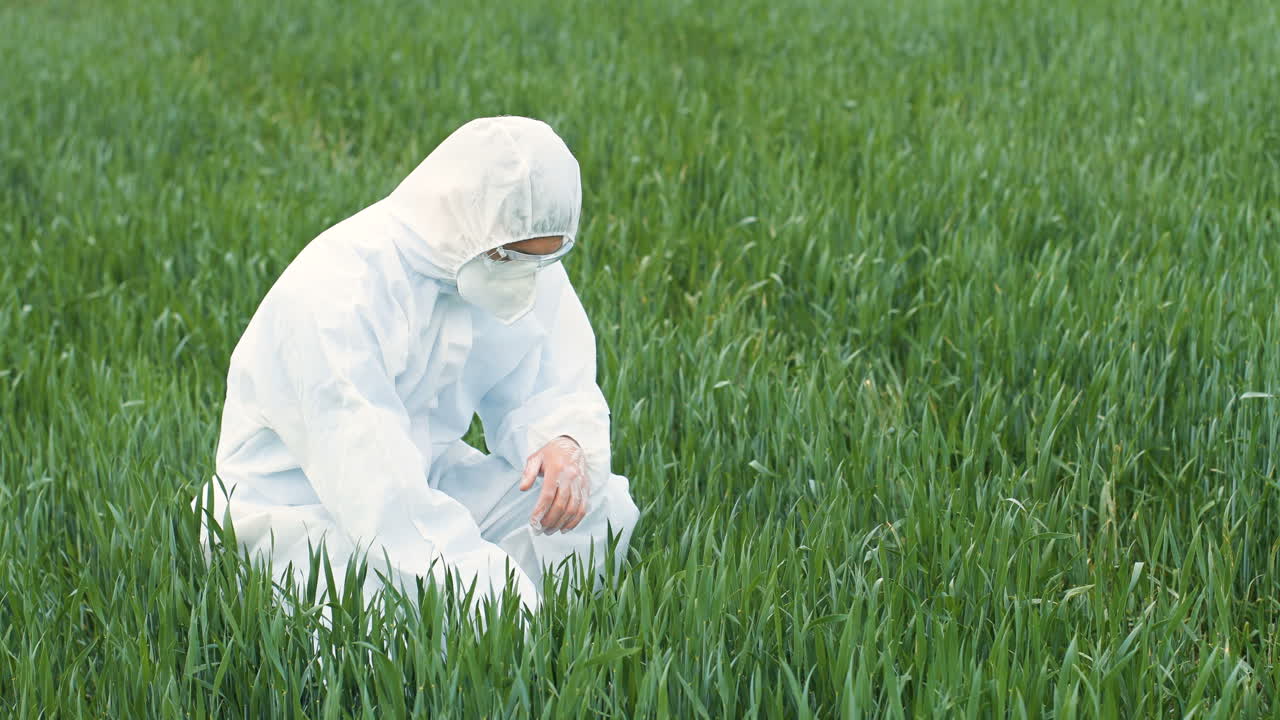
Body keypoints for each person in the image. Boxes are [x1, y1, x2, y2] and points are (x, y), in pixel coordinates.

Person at [195, 116, 640, 614]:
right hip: (301, 509)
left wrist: (563, 442)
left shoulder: (516, 249)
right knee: (430, 622)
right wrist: (489, 583)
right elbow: (373, 486)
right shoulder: (337, 294)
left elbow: (552, 381)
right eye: (513, 258)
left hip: (426, 474)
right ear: (467, 223)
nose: (528, 277)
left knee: (601, 512)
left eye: (542, 259)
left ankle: (548, 616)